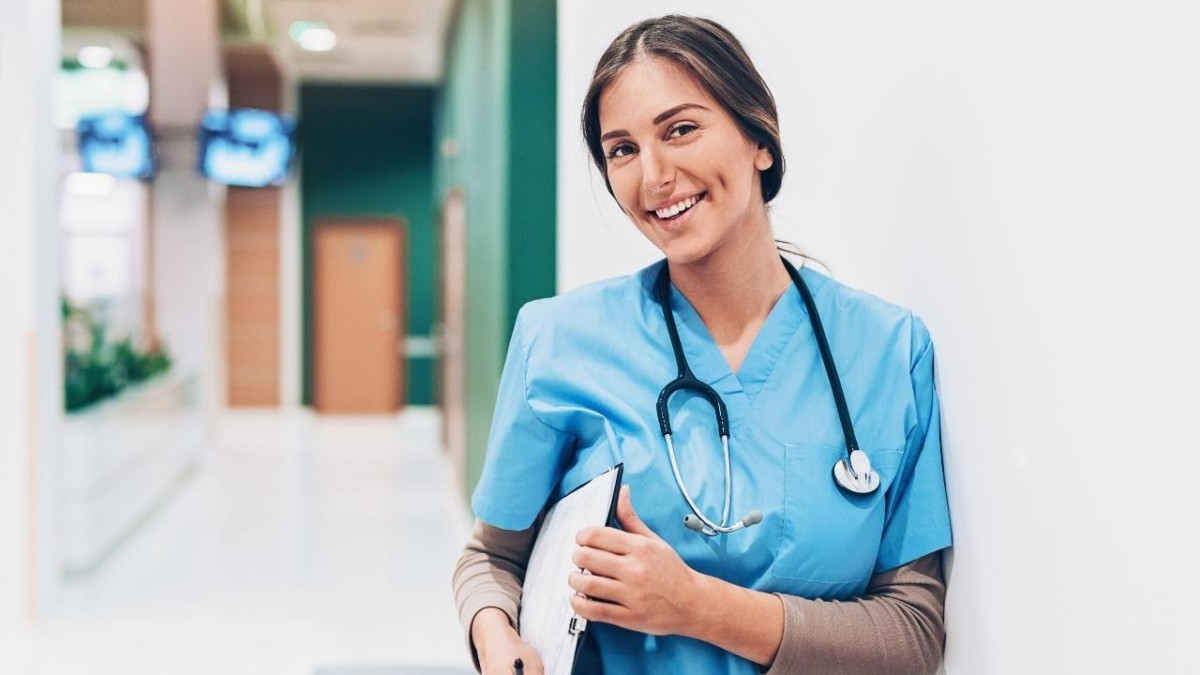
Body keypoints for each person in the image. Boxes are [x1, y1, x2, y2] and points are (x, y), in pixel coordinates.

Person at [453, 14, 952, 675]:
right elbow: (491, 558)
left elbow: (913, 635)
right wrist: (498, 643)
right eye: (622, 149)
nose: (654, 174)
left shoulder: (887, 352)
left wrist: (692, 604)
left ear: (759, 140)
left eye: (679, 129)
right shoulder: (559, 341)